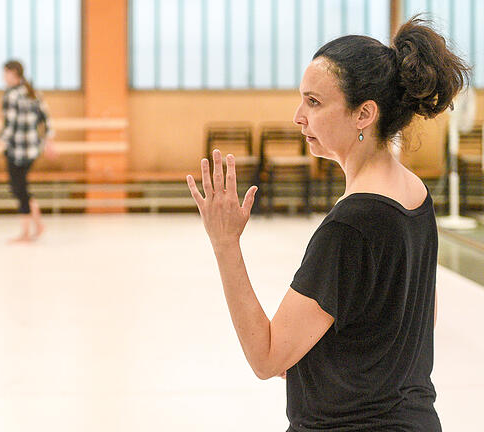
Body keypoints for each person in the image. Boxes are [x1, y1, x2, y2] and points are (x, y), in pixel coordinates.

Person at [186, 17, 469, 431]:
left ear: (364, 114)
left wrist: (225, 243)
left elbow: (266, 358)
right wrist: (320, 362)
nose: (299, 116)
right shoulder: (415, 193)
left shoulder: (350, 225)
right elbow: (414, 318)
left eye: (314, 103)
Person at [0, 60, 54, 243]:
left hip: (17, 150)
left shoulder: (11, 95)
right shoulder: (34, 93)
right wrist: (49, 142)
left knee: (19, 189)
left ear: (13, 73)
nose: (4, 78)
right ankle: (38, 224)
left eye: (5, 74)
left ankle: (26, 233)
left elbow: (9, 126)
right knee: (21, 187)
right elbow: (46, 121)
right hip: (33, 149)